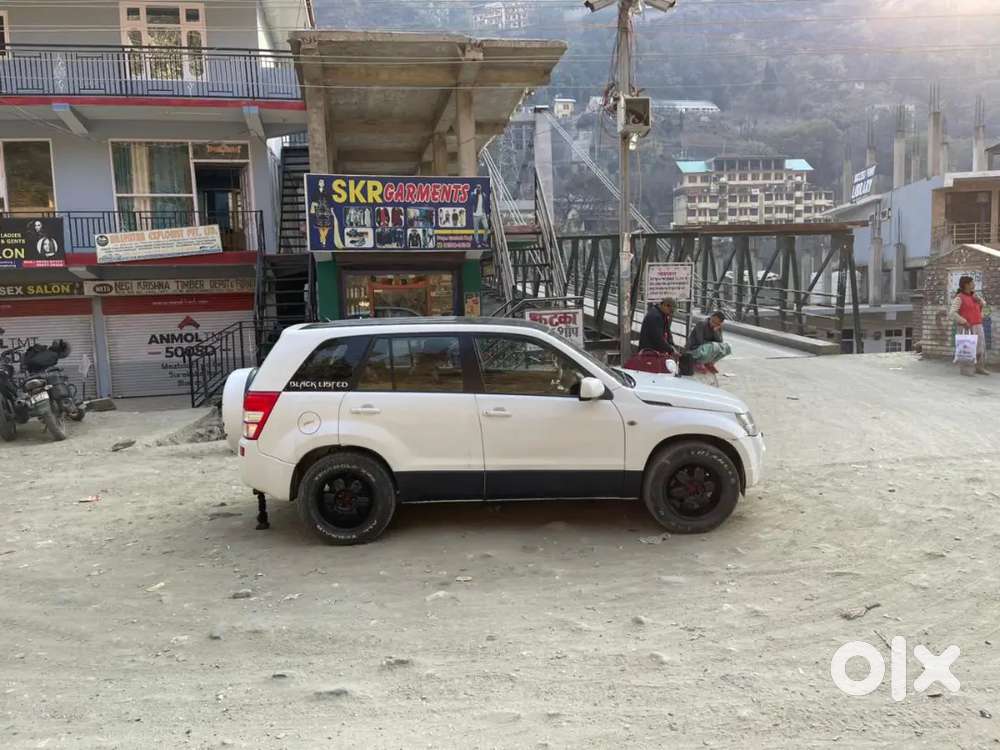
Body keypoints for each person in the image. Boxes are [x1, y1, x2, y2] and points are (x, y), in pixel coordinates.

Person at [949, 275, 989, 376]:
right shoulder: (959, 298)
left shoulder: (974, 296)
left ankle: (980, 367)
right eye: (972, 283)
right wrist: (963, 321)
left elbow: (984, 304)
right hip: (966, 327)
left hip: (978, 325)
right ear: (966, 284)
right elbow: (952, 313)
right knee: (968, 349)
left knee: (980, 349)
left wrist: (979, 300)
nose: (974, 284)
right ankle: (967, 370)